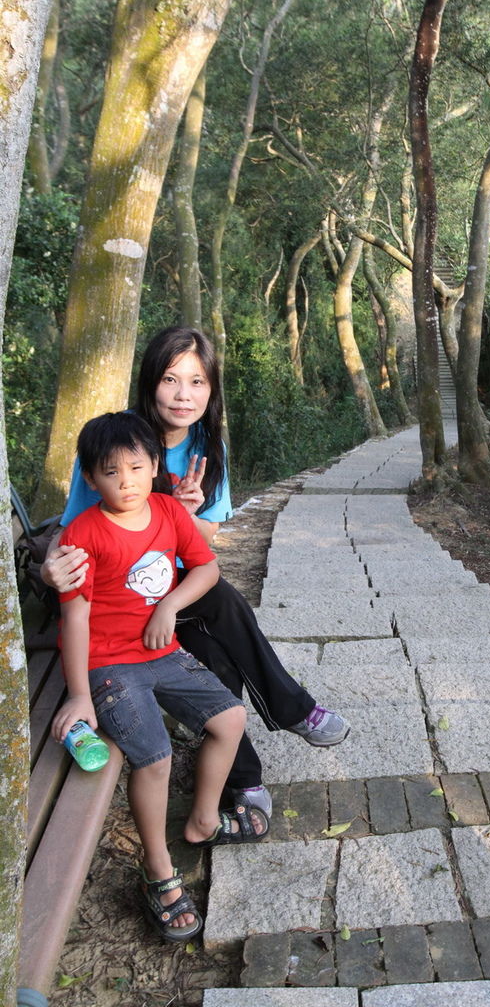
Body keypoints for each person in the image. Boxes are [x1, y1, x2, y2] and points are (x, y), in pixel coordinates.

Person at [42, 326, 349, 818]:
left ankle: (244, 781)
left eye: (197, 381)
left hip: (181, 584)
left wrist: (184, 515)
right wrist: (50, 570)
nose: (184, 394)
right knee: (220, 622)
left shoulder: (208, 444)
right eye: (170, 379)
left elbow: (207, 538)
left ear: (211, 389)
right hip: (122, 598)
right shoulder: (117, 445)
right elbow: (73, 531)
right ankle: (280, 725)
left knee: (217, 621)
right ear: (150, 382)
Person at [51, 412, 269, 944]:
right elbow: (74, 618)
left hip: (162, 651)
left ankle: (202, 822)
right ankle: (158, 869)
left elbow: (207, 568)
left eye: (135, 466)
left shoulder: (169, 511)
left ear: (155, 466)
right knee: (155, 756)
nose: (125, 481)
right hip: (108, 666)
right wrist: (79, 695)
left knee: (231, 718)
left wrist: (169, 606)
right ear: (90, 478)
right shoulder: (83, 535)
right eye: (110, 472)